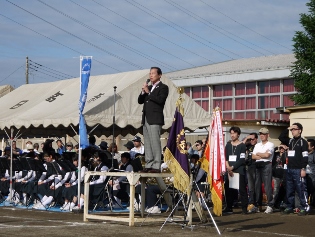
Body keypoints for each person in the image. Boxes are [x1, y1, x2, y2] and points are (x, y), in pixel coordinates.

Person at [138, 67, 169, 173]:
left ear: (159, 75)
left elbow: (160, 100)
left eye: (153, 73)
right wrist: (143, 92)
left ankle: (156, 165)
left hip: (155, 118)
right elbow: (140, 101)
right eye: (150, 73)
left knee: (155, 141)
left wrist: (149, 93)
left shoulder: (163, 87)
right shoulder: (149, 87)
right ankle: (148, 163)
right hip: (146, 117)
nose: (151, 75)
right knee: (147, 141)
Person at [278, 122, 309, 216]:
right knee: (289, 189)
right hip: (289, 169)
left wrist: (303, 168)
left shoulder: (303, 142)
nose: (292, 131)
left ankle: (304, 207)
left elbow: (305, 156)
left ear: (299, 131)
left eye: (294, 129)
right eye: (292, 130)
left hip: (298, 169)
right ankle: (289, 206)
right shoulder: (291, 141)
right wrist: (288, 128)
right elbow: (281, 137)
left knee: (301, 189)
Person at [223, 126, 248, 214]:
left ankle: (244, 208)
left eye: (234, 133)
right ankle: (229, 206)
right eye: (231, 133)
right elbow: (225, 157)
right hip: (229, 170)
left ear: (238, 134)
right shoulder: (228, 145)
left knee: (241, 189)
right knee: (228, 189)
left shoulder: (242, 145)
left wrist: (233, 167)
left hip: (238, 170)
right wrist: (228, 167)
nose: (232, 135)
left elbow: (242, 159)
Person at [252, 128, 275, 214]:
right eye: (260, 134)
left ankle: (270, 205)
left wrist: (258, 154)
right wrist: (261, 155)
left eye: (264, 134)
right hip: (258, 165)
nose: (262, 135)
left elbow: (267, 155)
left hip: (266, 165)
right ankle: (258, 205)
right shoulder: (257, 145)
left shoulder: (271, 144)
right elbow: (253, 157)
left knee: (267, 186)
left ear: (267, 135)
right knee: (257, 186)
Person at [243, 133, 259, 213]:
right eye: (250, 139)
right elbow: (241, 146)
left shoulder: (258, 146)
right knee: (250, 187)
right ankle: (252, 203)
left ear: (256, 139)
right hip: (249, 168)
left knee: (256, 187)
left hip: (256, 167)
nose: (251, 141)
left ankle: (256, 204)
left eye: (253, 139)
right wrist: (247, 138)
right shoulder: (248, 146)